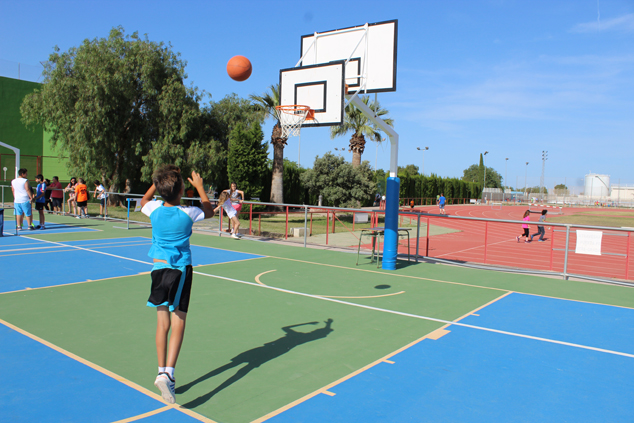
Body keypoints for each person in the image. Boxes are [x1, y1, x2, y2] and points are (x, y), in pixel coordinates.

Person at [140, 165, 214, 404]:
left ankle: (161, 371)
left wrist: (157, 181)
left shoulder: (154, 209)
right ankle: (168, 374)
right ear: (182, 190)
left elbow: (144, 200)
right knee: (178, 321)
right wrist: (200, 187)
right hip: (180, 270)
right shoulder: (188, 212)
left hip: (158, 269)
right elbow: (209, 211)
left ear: (160, 189)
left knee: (162, 323)